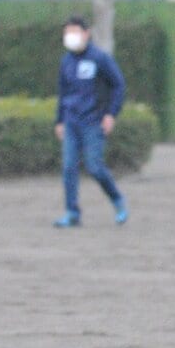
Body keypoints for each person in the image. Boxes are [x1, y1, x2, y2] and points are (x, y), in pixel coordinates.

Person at [53, 16, 129, 228]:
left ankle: (117, 199)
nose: (71, 37)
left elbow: (118, 85)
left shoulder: (100, 58)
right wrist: (59, 120)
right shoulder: (66, 61)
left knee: (94, 167)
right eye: (67, 33)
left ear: (87, 33)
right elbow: (62, 93)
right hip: (71, 122)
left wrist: (111, 114)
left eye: (75, 32)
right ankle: (72, 212)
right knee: (69, 168)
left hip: (93, 121)